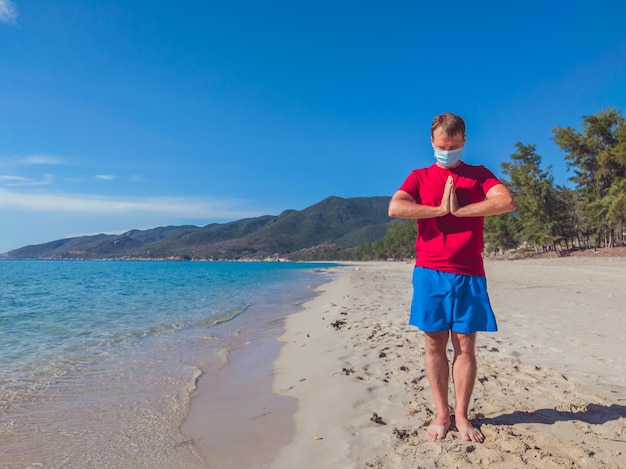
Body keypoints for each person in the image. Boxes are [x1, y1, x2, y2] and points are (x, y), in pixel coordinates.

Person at [388, 112, 515, 443]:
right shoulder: (420, 176)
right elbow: (395, 207)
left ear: (464, 141)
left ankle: (461, 415)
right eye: (442, 146)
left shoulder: (478, 175)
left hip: (468, 272)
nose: (447, 151)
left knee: (465, 346)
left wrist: (462, 210)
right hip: (430, 271)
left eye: (454, 145)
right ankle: (441, 413)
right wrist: (438, 210)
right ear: (432, 142)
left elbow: (505, 200)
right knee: (433, 345)